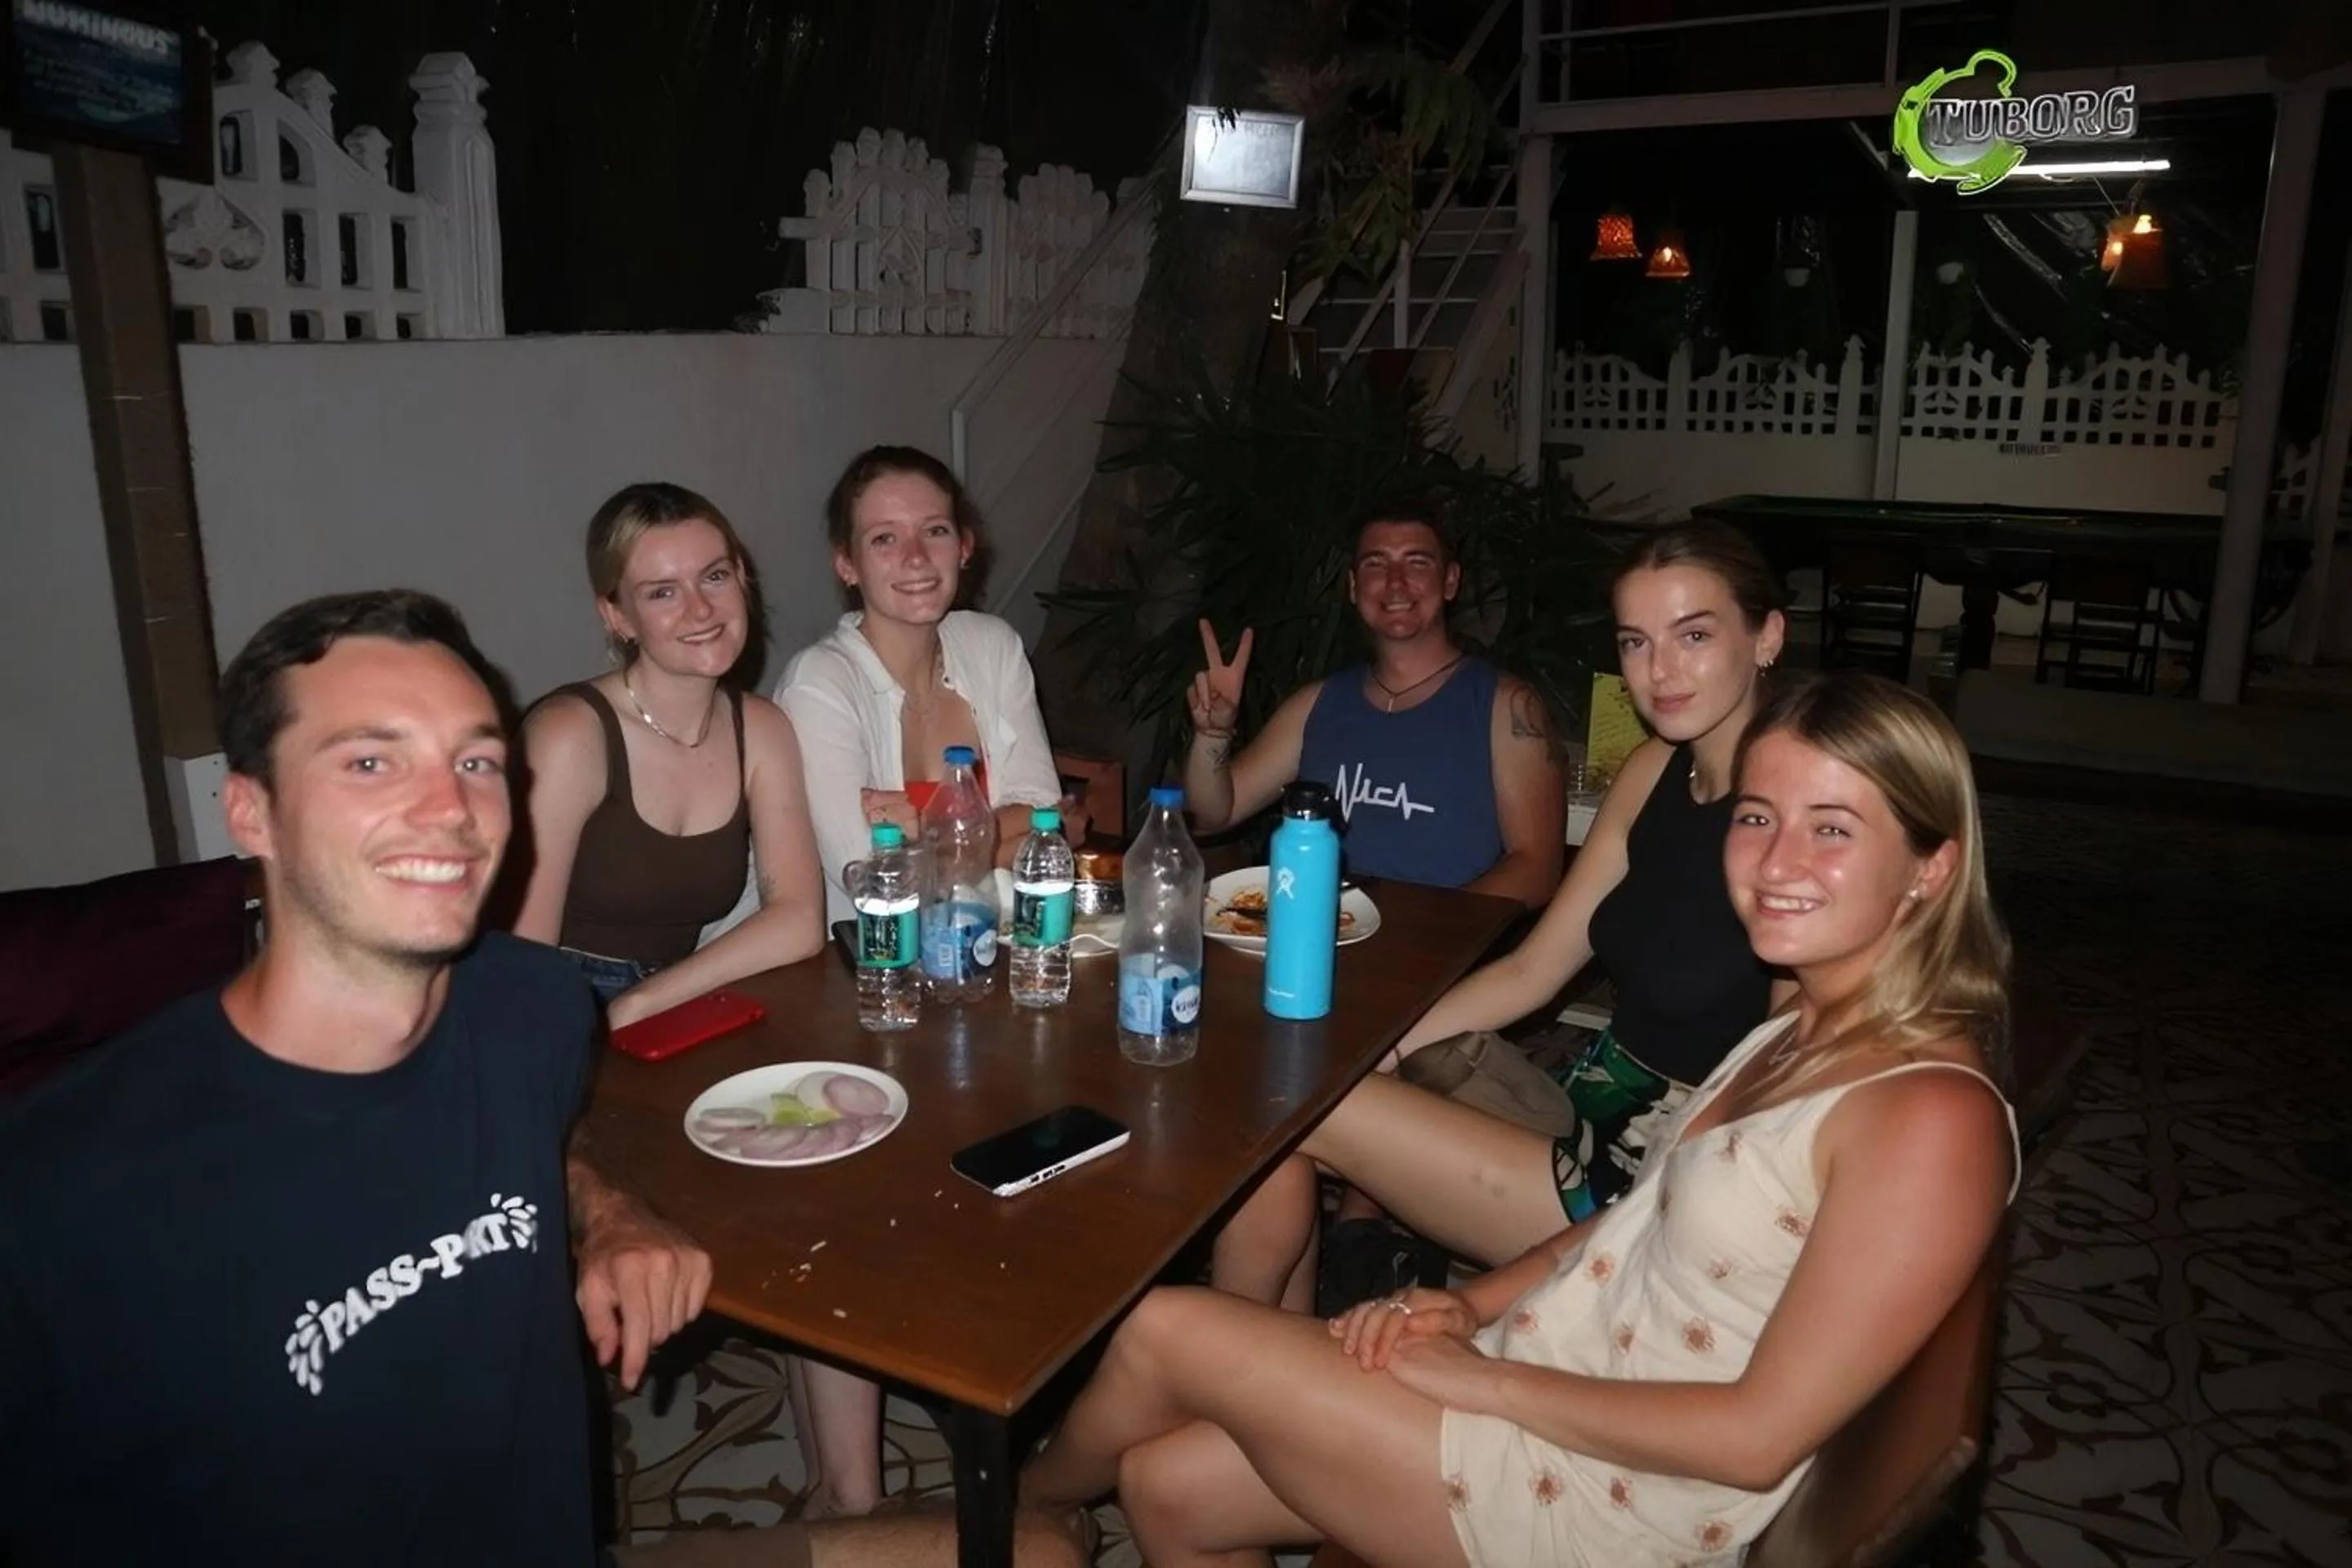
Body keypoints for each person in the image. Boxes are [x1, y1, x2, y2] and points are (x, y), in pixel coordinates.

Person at [0, 590, 1080, 1568]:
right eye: (371, 762)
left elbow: (523, 1123)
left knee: (1040, 1548)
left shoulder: (529, 1012)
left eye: (475, 761)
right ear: (250, 814)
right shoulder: (71, 1191)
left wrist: (606, 1213)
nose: (447, 808)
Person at [1022, 669, 2019, 1568]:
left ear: (1932, 865)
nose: (1774, 860)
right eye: (1757, 817)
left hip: (1612, 1506)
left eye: (1832, 828)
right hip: (1557, 1372)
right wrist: (1471, 1306)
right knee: (1165, 1487)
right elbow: (1645, 1213)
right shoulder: (1805, 1016)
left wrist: (1478, 1380)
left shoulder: (1930, 1114)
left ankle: (1007, 1523)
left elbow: (1756, 1440)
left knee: (1162, 1328)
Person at [1212, 520, 1791, 1312]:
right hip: (1586, 1110)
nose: (1659, 671)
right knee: (1292, 1107)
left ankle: (1240, 1363)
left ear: (1767, 637)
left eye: (1693, 634)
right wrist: (1388, 1045)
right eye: (1634, 642)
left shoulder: (1800, 808)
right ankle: (1274, 1361)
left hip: (1659, 1179)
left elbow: (1801, 1059)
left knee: (1291, 1115)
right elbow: (1535, 968)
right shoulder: (1657, 768)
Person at [512, 483, 826, 1027]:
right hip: (556, 1004)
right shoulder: (570, 735)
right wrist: (600, 1023)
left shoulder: (762, 728)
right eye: (662, 592)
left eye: (714, 576)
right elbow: (519, 963)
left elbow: (799, 919)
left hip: (676, 991)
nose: (701, 608)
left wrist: (644, 1001)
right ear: (617, 616)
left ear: (742, 579)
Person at [1183, 502, 1564, 906]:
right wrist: (1212, 734)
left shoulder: (1506, 705)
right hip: (1319, 941)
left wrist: (1427, 935)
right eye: (1376, 565)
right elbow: (1211, 816)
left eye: (1417, 563)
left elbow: (1536, 870)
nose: (1396, 583)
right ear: (1352, 587)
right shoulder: (1317, 704)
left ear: (1450, 581)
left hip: (1444, 956)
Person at [767, 444, 1082, 929]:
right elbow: (875, 885)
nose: (915, 558)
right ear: (847, 564)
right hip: (870, 972)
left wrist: (924, 833)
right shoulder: (819, 686)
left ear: (964, 546)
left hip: (996, 950)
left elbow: (1044, 816)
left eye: (934, 531)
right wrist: (1006, 833)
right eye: (884, 539)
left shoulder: (992, 646)